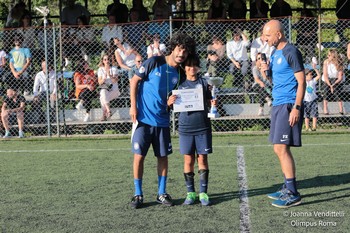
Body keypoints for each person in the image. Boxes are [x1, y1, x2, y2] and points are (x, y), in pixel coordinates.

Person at [129, 32, 196, 209]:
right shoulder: (154, 62)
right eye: (179, 49)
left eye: (185, 51)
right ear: (173, 47)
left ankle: (161, 193)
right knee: (139, 156)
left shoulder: (179, 74)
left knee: (163, 157)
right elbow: (134, 81)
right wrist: (133, 106)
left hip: (162, 121)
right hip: (143, 119)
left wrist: (169, 103)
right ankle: (138, 194)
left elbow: (176, 97)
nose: (182, 54)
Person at [261, 20, 306, 208]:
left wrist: (296, 107)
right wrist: (265, 72)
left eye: (268, 35)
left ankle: (293, 192)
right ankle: (288, 187)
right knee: (277, 148)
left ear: (279, 35)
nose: (264, 39)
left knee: (281, 148)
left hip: (288, 104)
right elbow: (276, 78)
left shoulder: (291, 51)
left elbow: (302, 81)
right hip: (278, 104)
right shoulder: (275, 52)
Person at [167, 54, 215, 206]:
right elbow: (171, 104)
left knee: (202, 159)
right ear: (184, 67)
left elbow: (209, 101)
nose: (191, 68)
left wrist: (213, 102)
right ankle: (190, 193)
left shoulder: (204, 83)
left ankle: (203, 193)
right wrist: (169, 102)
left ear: (198, 67)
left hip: (203, 127)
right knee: (188, 160)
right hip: (186, 128)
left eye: (194, 65)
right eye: (188, 65)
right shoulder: (179, 84)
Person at [321, 49, 345, 115]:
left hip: (336, 79)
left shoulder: (339, 63)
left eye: (329, 55)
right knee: (326, 91)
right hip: (327, 79)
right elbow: (325, 75)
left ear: (333, 56)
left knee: (337, 91)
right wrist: (330, 85)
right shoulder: (326, 62)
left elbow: (340, 77)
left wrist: (333, 84)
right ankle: (325, 109)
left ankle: (341, 109)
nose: (327, 56)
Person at [97, 54, 120, 121]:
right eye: (105, 59)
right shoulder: (100, 69)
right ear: (103, 61)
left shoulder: (114, 69)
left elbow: (114, 81)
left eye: (108, 59)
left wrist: (109, 75)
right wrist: (104, 76)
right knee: (103, 93)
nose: (107, 61)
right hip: (105, 89)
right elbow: (100, 82)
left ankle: (104, 114)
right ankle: (109, 111)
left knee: (102, 97)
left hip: (114, 90)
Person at [304, 63, 320, 131]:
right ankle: (307, 127)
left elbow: (319, 76)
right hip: (305, 100)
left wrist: (315, 69)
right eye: (310, 75)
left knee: (314, 114)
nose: (311, 76)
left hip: (313, 100)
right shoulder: (303, 82)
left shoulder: (313, 81)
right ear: (305, 76)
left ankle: (314, 127)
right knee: (306, 115)